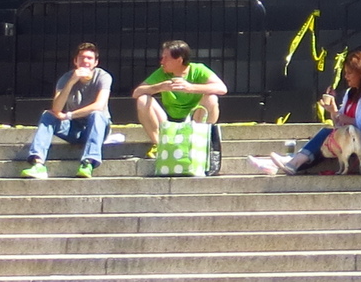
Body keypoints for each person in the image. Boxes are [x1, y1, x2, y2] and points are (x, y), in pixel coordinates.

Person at [249, 49, 361, 175]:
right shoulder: (349, 93)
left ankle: (291, 161)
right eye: (345, 73)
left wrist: (337, 114)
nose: (346, 77)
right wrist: (332, 110)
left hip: (360, 140)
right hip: (345, 138)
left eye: (349, 73)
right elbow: (338, 124)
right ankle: (280, 164)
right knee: (324, 139)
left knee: (325, 134)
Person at [21, 42, 112, 178]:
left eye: (89, 58)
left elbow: (99, 105)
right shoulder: (66, 78)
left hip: (96, 128)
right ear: (75, 61)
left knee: (97, 114)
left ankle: (88, 162)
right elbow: (56, 108)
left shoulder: (103, 77)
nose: (85, 61)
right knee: (48, 115)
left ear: (95, 62)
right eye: (82, 58)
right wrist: (71, 82)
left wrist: (69, 115)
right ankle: (38, 163)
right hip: (73, 128)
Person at [133, 39, 227, 141]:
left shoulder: (198, 70)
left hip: (194, 118)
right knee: (142, 99)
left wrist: (190, 88)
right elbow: (136, 93)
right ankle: (158, 144)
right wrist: (160, 87)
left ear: (179, 60)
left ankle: (203, 140)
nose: (162, 62)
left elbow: (222, 88)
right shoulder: (162, 72)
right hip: (167, 119)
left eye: (166, 58)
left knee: (212, 98)